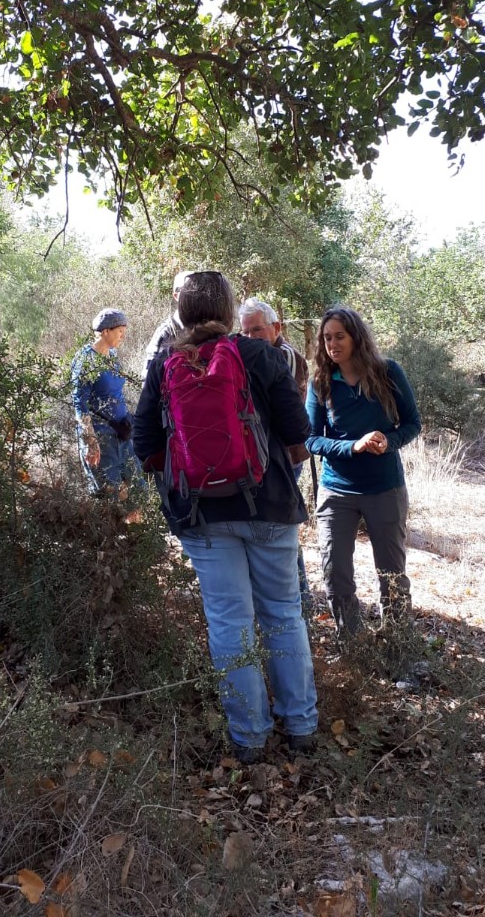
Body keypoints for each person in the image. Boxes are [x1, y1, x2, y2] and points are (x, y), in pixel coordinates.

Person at [134, 271, 318, 763]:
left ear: (183, 312)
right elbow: (299, 429)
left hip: (201, 515)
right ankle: (300, 726)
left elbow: (143, 445)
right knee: (282, 613)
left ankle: (249, 737)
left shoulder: (165, 363)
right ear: (230, 310)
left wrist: (186, 471)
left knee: (228, 622)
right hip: (270, 506)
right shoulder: (260, 355)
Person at [305, 306, 422, 641]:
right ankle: (352, 642)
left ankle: (397, 643)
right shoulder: (321, 383)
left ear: (356, 337)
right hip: (336, 491)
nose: (332, 344)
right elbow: (312, 439)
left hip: (384, 487)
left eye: (339, 336)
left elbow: (412, 423)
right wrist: (352, 447)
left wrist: (390, 440)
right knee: (335, 571)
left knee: (392, 573)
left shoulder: (388, 372)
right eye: (327, 338)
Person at [239, 297, 311, 601]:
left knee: (282, 525)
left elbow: (282, 412)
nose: (252, 338)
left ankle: (300, 596)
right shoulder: (256, 355)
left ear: (276, 327)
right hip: (260, 455)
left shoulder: (285, 356)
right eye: (245, 333)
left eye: (257, 330)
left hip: (284, 457)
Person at [71, 307, 139, 494]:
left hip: (121, 432)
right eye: (120, 332)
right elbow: (79, 402)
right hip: (101, 437)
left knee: (138, 489)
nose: (122, 337)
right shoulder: (85, 360)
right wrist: (91, 440)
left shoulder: (112, 356)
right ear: (105, 331)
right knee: (110, 495)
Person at [142, 269, 194, 379]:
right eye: (188, 289)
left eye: (198, 289)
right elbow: (148, 380)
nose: (194, 294)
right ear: (176, 296)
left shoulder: (207, 328)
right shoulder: (166, 332)